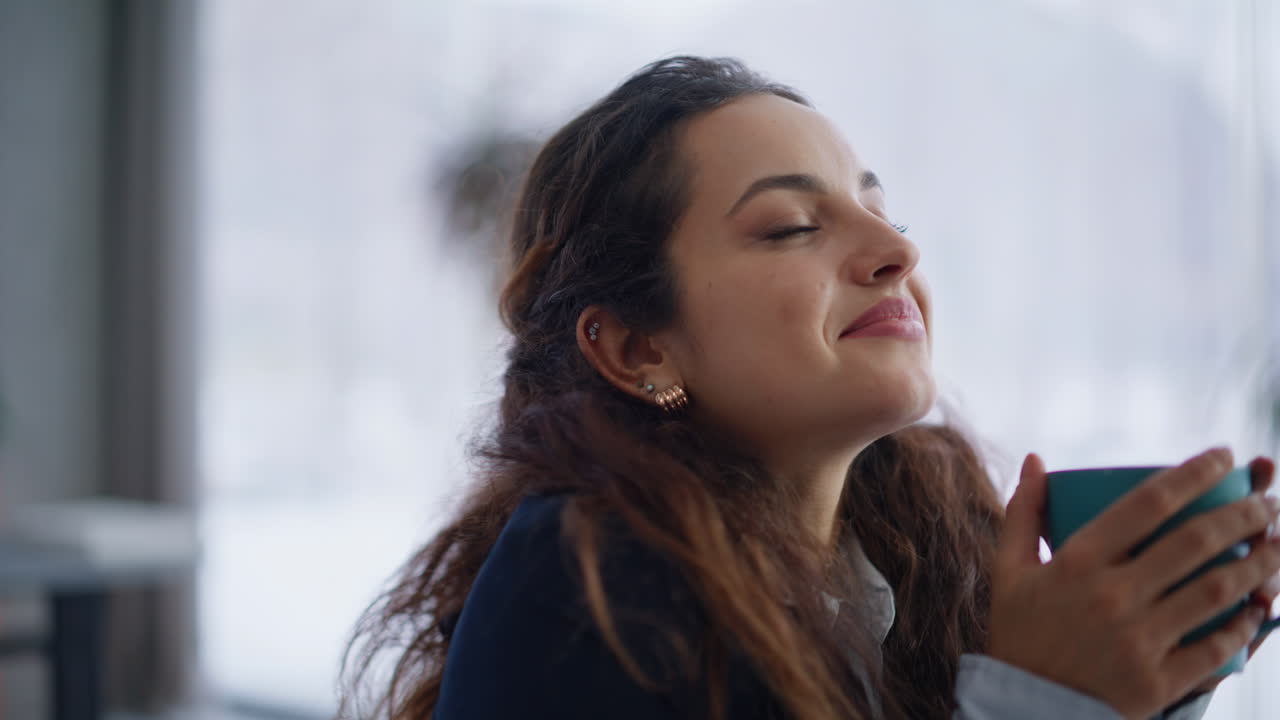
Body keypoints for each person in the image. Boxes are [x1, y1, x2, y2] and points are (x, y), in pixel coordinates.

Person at [340, 56, 1280, 720]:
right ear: (635, 348)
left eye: (879, 209)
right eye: (792, 226)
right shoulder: (580, 584)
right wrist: (1045, 702)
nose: (899, 252)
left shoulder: (924, 553)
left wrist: (1150, 674)